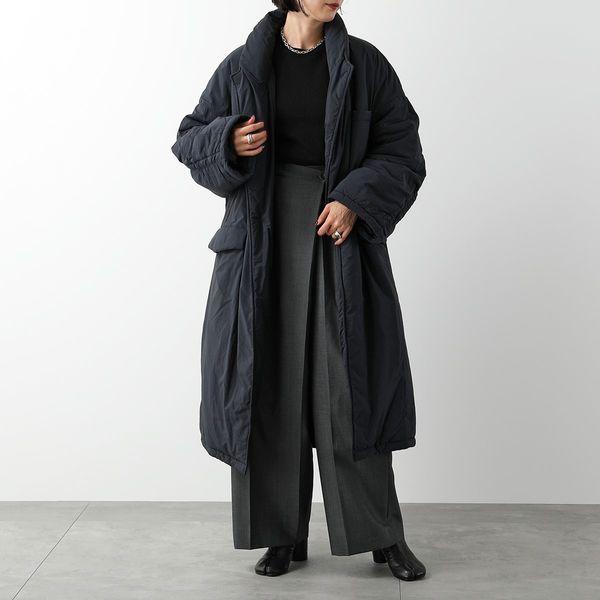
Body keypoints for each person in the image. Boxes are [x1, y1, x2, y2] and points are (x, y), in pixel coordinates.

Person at [171, 0, 427, 581]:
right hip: (262, 238)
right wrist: (229, 140)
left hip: (340, 233)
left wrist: (354, 200)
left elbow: (403, 151)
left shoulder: (365, 65)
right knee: (268, 383)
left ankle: (382, 536)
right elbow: (189, 139)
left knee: (349, 390)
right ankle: (280, 534)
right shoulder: (243, 66)